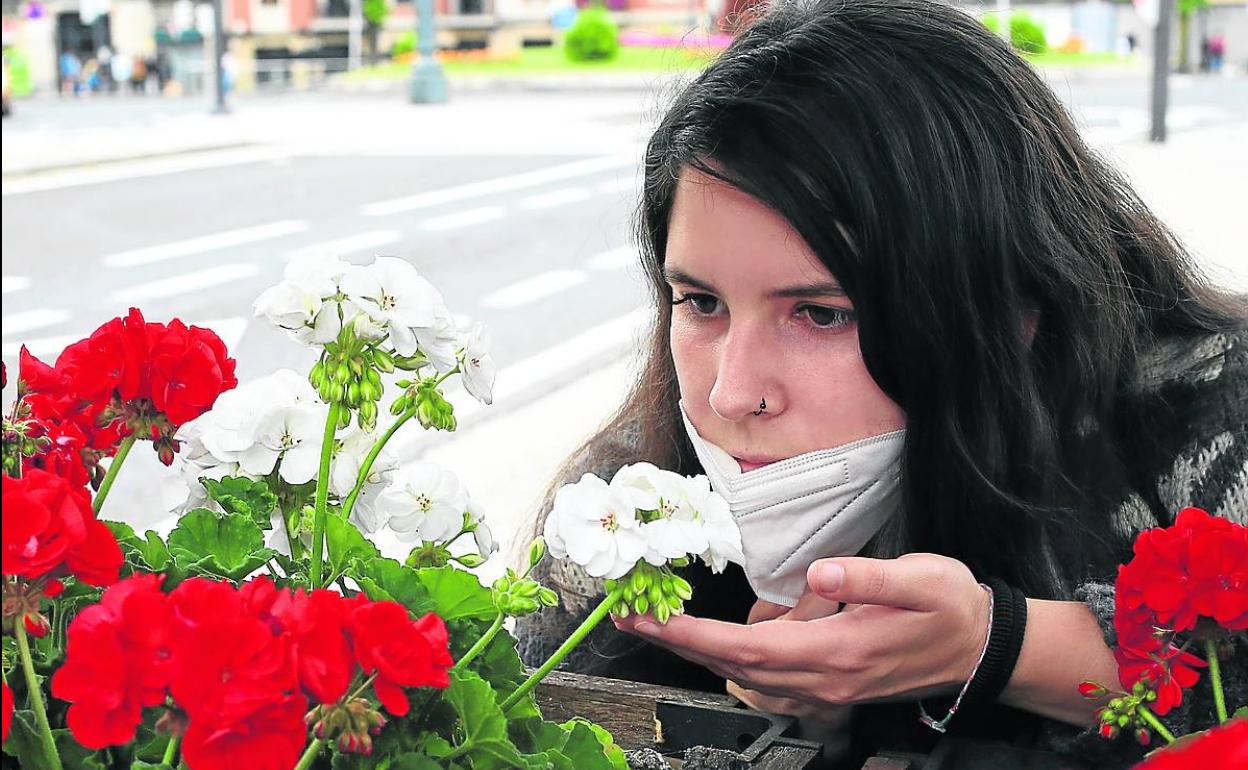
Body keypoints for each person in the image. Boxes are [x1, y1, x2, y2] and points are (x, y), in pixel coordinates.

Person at [513, 1, 1248, 768]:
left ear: (1010, 311)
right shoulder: (624, 518)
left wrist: (995, 645)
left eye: (822, 314)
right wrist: (805, 733)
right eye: (702, 304)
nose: (733, 395)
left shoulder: (1207, 413)